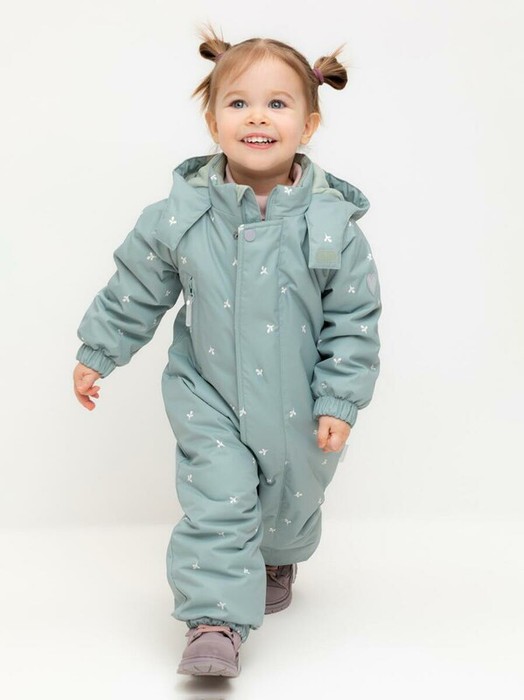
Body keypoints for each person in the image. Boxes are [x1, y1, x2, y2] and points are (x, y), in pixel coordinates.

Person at [73, 27, 381, 678]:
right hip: (207, 388)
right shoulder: (180, 215)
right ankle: (212, 621)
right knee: (219, 497)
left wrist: (339, 398)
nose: (257, 117)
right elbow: (137, 286)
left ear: (309, 123)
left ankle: (277, 555)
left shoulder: (330, 225)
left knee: (292, 495)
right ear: (213, 122)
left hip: (300, 394)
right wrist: (98, 350)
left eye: (277, 103)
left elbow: (353, 319)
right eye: (238, 103)